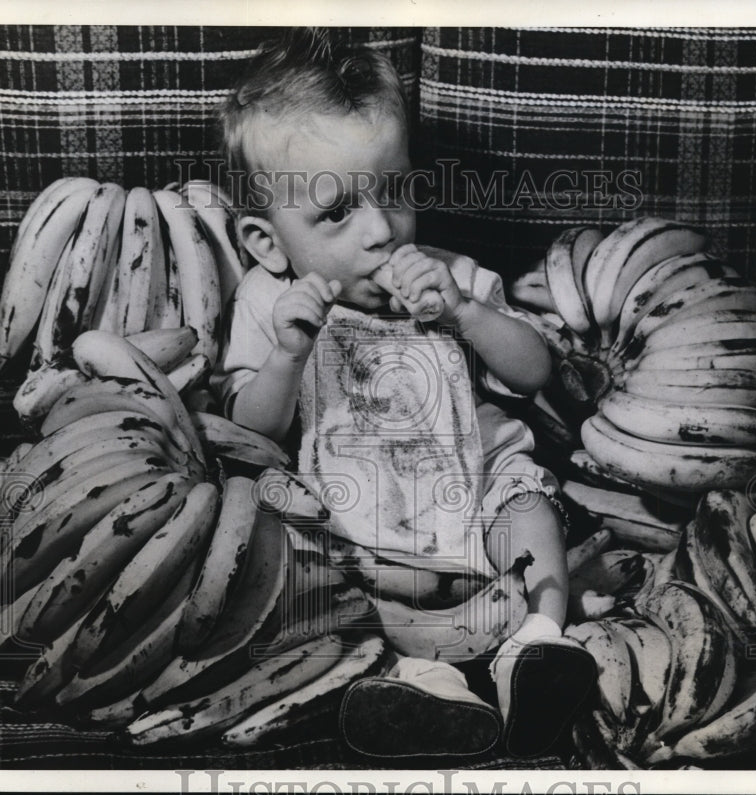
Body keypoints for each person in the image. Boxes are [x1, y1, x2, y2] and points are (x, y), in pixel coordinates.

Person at [211, 28, 597, 759]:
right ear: (267, 242)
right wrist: (289, 354)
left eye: (394, 191)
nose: (381, 230)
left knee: (526, 499)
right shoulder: (271, 304)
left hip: (475, 497)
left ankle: (540, 643)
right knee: (286, 537)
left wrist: (467, 311)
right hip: (354, 525)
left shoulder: (454, 274)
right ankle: (412, 685)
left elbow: (533, 373)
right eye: (335, 214)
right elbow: (249, 431)